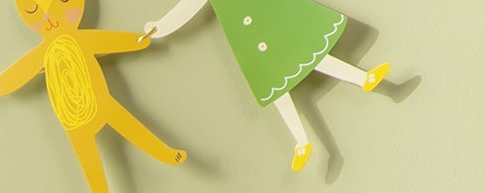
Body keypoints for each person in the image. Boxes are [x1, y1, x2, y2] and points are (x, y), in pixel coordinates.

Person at [142, 0, 389, 172]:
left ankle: (363, 79)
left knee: (305, 52)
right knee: (274, 82)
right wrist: (160, 26)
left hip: (265, 13)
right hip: (246, 33)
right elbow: (188, 6)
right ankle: (301, 142)